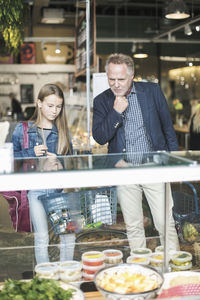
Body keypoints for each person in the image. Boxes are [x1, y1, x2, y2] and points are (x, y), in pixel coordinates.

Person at [92, 53, 180, 251]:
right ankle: (139, 271)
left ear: (132, 76)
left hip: (154, 166)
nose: (115, 84)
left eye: (121, 79)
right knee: (133, 226)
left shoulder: (152, 91)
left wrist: (175, 164)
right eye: (111, 79)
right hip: (124, 169)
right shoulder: (102, 101)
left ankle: (174, 267)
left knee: (164, 223)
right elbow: (99, 137)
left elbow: (168, 128)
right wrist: (116, 112)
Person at [11, 83, 75, 264]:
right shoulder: (23, 130)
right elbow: (10, 160)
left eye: (59, 106)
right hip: (36, 192)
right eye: (50, 105)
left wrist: (59, 162)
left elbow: (73, 163)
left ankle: (66, 272)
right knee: (41, 237)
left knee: (68, 235)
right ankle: (45, 277)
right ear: (39, 103)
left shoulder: (63, 132)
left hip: (59, 192)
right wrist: (31, 153)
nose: (55, 111)